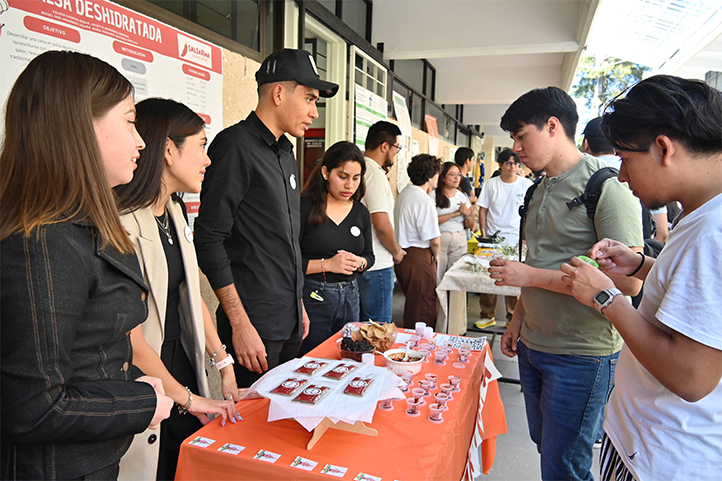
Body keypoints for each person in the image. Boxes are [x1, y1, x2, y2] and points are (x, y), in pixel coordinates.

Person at [0, 50, 173, 480]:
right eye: (131, 121)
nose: (141, 142)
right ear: (79, 125)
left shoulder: (78, 227)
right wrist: (142, 401)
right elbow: (33, 409)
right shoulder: (42, 241)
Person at [560, 75, 722, 481]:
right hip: (647, 440)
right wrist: (639, 265)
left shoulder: (712, 232)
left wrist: (606, 298)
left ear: (663, 148)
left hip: (664, 455)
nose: (622, 177)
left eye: (626, 160)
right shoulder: (702, 213)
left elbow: (692, 375)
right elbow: (692, 296)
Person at [491, 86, 644, 481]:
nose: (516, 148)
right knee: (550, 451)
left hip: (581, 353)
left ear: (553, 126)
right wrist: (517, 319)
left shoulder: (605, 187)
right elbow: (539, 258)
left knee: (565, 466)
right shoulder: (538, 189)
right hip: (534, 345)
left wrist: (527, 277)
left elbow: (627, 286)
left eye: (522, 136)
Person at [114, 98, 242, 480]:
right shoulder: (121, 224)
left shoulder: (174, 210)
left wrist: (223, 362)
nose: (207, 160)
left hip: (181, 362)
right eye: (201, 146)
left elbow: (189, 294)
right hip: (146, 373)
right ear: (168, 151)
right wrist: (187, 398)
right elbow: (131, 338)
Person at [194, 49, 338, 387]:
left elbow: (284, 242)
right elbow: (209, 238)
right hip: (253, 326)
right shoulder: (235, 146)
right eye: (309, 99)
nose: (314, 113)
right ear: (278, 93)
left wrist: (297, 303)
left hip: (286, 319)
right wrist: (240, 325)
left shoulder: (286, 151)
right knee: (253, 427)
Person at [299, 141, 374, 353]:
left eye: (356, 178)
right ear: (325, 172)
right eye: (342, 176)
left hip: (351, 295)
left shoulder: (360, 212)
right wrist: (328, 264)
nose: (350, 185)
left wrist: (361, 262)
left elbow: (369, 256)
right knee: (314, 358)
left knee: (348, 358)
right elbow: (288, 262)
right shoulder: (305, 208)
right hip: (313, 296)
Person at [583, 116, 669, 243]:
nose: (621, 177)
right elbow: (662, 233)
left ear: (585, 144)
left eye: (624, 160)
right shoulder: (653, 176)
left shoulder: (580, 176)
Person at [475, 149, 532, 329]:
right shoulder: (491, 184)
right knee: (489, 276)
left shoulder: (526, 184)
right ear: (500, 165)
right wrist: (484, 234)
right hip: (493, 238)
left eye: (516, 163)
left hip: (516, 239)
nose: (513, 167)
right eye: (509, 163)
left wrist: (525, 238)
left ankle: (511, 317)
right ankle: (487, 315)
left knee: (514, 278)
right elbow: (482, 209)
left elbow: (530, 213)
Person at [358, 121, 406, 324]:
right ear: (384, 146)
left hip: (365, 261)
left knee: (363, 328)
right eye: (396, 147)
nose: (396, 153)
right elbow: (381, 223)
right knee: (378, 328)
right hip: (377, 265)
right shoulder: (374, 173)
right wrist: (396, 251)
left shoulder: (360, 168)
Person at [394, 154, 442, 328]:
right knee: (423, 306)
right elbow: (434, 239)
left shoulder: (404, 194)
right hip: (419, 256)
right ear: (430, 177)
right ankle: (420, 346)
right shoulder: (423, 200)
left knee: (414, 303)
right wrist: (436, 256)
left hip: (403, 255)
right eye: (436, 174)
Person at [431, 161, 474, 284]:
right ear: (443, 177)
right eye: (452, 174)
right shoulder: (433, 195)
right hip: (440, 238)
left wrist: (467, 213)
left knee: (457, 275)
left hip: (459, 237)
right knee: (437, 276)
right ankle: (438, 303)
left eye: (459, 175)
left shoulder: (463, 196)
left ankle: (454, 303)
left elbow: (470, 225)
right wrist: (453, 214)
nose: (456, 178)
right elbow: (430, 222)